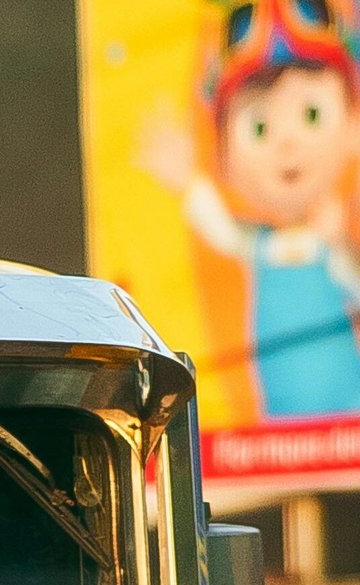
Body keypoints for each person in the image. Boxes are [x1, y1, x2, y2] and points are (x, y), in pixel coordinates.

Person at [144, 0, 360, 418]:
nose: (287, 144)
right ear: (222, 154)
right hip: (276, 423)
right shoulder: (260, 245)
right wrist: (188, 182)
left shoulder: (332, 247)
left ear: (353, 126)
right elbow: (221, 229)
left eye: (312, 115)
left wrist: (339, 246)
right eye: (260, 128)